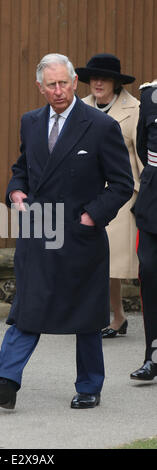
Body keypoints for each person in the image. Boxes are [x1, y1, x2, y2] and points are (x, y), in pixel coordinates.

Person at [0, 53, 134, 410]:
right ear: (40, 87)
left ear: (74, 81)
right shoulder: (30, 122)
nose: (59, 90)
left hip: (80, 236)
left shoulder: (99, 125)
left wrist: (91, 217)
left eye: (64, 82)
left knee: (87, 316)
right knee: (28, 308)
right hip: (38, 233)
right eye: (52, 85)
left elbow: (121, 185)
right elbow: (22, 167)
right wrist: (16, 190)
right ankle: (5, 382)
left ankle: (89, 386)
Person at [75, 53, 143, 338]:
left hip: (122, 195)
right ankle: (114, 316)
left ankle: (113, 317)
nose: (98, 82)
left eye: (104, 78)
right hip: (88, 193)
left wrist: (148, 196)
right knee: (96, 259)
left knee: (112, 261)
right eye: (94, 77)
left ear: (116, 82)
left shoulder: (136, 110)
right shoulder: (80, 108)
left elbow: (142, 156)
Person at [130, 79, 157, 380]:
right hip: (153, 197)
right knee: (149, 273)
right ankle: (153, 355)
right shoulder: (150, 96)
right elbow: (142, 144)